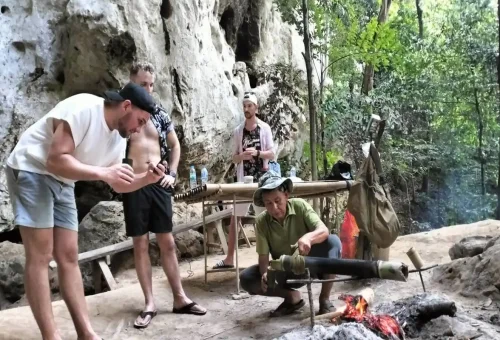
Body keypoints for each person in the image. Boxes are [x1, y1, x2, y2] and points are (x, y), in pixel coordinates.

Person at [4, 82, 166, 340]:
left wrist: (147, 179)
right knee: (41, 255)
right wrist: (103, 172)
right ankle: (51, 336)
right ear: (126, 106)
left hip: (64, 180)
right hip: (31, 168)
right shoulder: (84, 108)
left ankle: (86, 333)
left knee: (69, 255)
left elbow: (118, 183)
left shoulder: (116, 139)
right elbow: (55, 158)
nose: (139, 128)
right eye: (140, 119)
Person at [125, 62, 207, 329]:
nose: (148, 89)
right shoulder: (125, 112)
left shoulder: (158, 112)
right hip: (135, 182)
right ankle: (149, 303)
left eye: (151, 84)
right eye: (142, 85)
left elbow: (174, 144)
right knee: (140, 243)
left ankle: (180, 297)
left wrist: (172, 171)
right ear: (131, 83)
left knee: (167, 241)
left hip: (159, 182)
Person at [239, 171, 342, 317]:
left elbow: (323, 230)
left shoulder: (300, 206)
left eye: (278, 201)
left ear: (286, 196)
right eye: (268, 203)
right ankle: (292, 298)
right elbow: (263, 257)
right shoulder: (262, 221)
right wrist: (265, 275)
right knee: (246, 278)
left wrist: (308, 238)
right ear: (263, 204)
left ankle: (324, 299)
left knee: (333, 241)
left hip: (310, 265)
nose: (274, 208)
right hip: (284, 270)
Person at [212, 91, 275, 269]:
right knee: (235, 217)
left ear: (256, 108)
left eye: (249, 106)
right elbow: (234, 158)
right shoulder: (238, 131)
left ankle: (270, 258)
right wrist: (242, 157)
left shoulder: (264, 129)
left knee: (264, 217)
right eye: (244, 106)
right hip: (243, 179)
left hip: (262, 180)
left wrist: (257, 153)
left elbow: (271, 153)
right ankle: (229, 258)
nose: (246, 109)